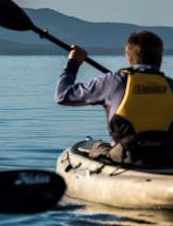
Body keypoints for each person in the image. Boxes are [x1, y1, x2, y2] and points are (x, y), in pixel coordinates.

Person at [56, 30, 173, 167]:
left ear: (128, 58)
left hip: (126, 158)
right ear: (159, 59)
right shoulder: (171, 85)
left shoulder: (113, 82)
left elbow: (62, 95)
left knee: (98, 146)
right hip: (168, 156)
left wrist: (73, 62)